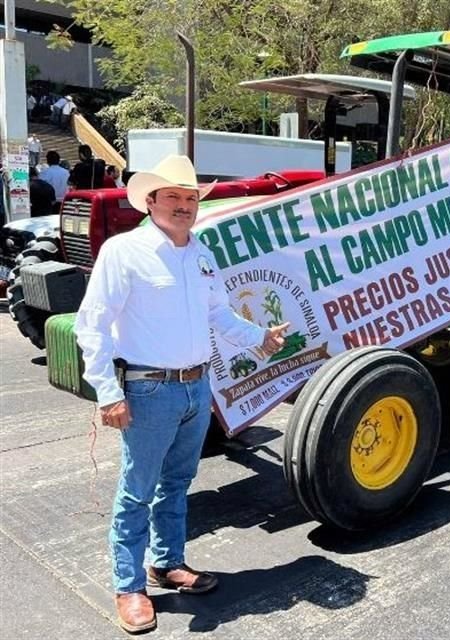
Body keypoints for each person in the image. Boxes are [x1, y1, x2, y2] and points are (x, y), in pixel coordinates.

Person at [73, 154, 289, 635]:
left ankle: (166, 563)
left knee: (176, 484)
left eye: (190, 197)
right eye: (172, 196)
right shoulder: (123, 252)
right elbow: (93, 328)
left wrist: (261, 338)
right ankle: (129, 588)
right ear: (149, 201)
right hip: (147, 390)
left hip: (196, 386)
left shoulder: (202, 253)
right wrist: (108, 393)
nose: (183, 205)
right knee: (137, 492)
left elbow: (220, 316)